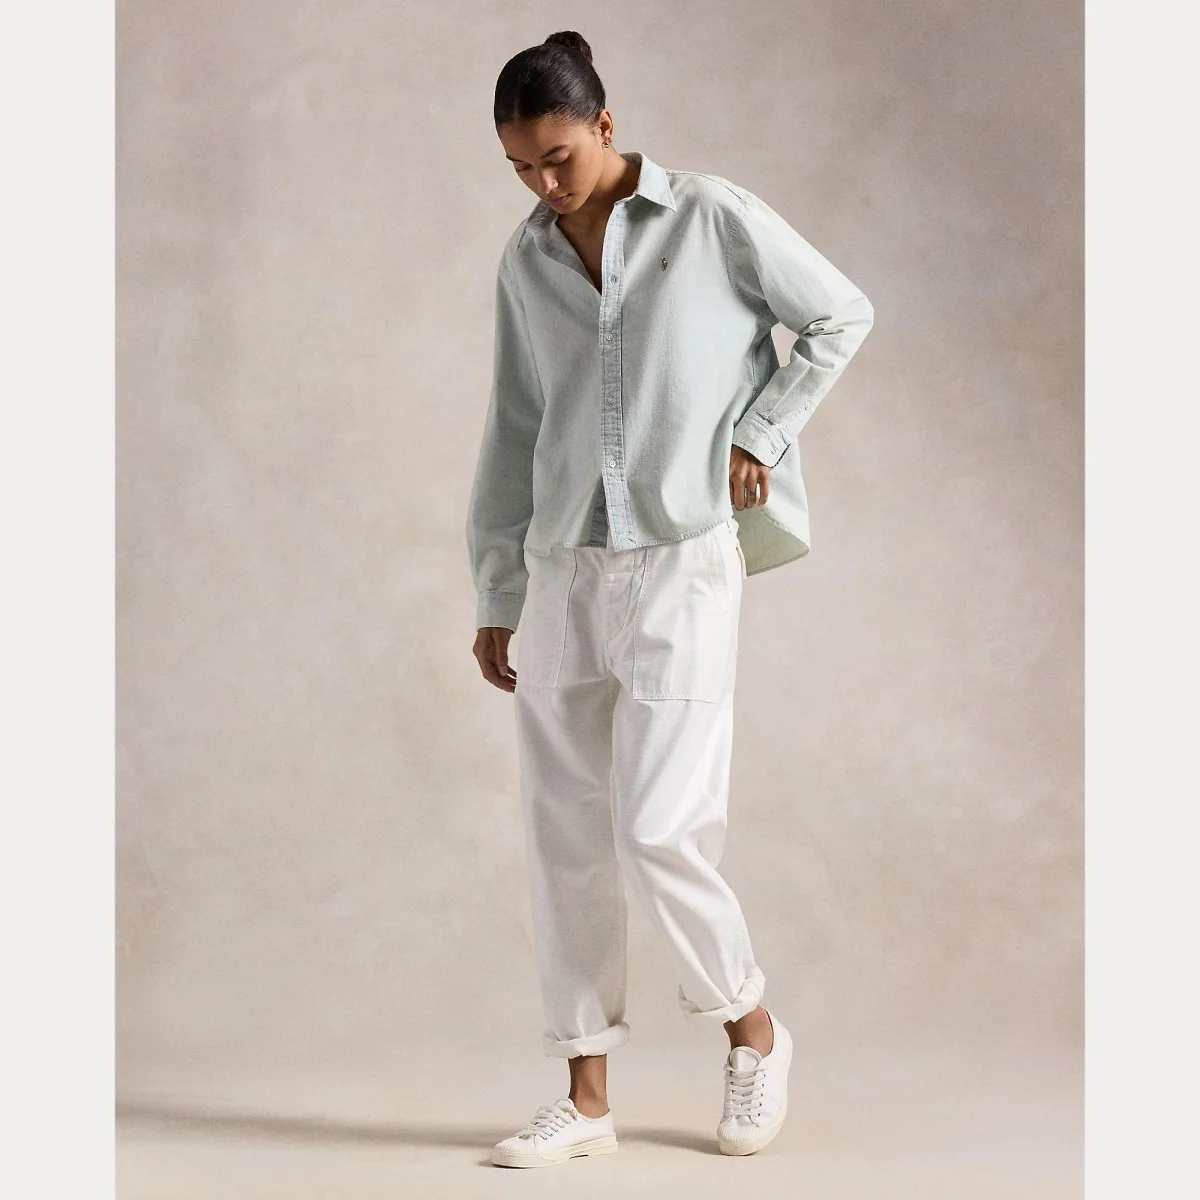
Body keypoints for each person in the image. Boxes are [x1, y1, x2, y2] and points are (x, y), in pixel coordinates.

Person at [466, 30, 874, 1168]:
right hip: (561, 566)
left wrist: (763, 429)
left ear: (605, 125)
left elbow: (840, 314)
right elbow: (512, 427)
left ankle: (752, 1027)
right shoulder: (525, 262)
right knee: (563, 837)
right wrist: (497, 586)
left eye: (558, 158)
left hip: (683, 559)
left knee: (656, 829)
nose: (544, 186)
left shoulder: (710, 217)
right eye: (521, 168)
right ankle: (586, 1098)